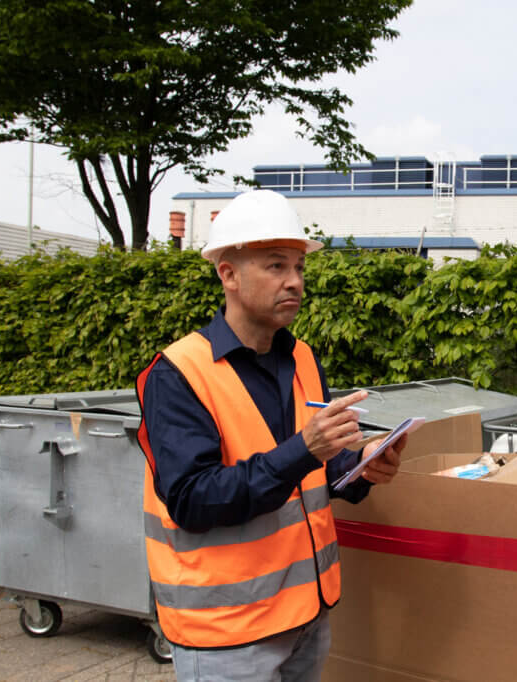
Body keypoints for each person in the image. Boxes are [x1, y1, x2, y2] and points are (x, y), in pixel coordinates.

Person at [135, 189, 407, 681]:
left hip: (306, 615)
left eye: (300, 267)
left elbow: (311, 473)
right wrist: (306, 449)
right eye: (276, 266)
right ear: (229, 275)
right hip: (226, 632)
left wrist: (361, 465)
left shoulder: (302, 358)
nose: (295, 282)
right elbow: (194, 499)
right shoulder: (177, 373)